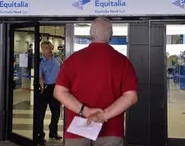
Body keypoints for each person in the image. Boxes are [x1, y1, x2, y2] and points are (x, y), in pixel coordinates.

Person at [54, 17, 138, 146]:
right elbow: (131, 97)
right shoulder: (123, 62)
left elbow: (59, 92)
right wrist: (103, 116)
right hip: (111, 130)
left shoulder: (73, 60)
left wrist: (86, 111)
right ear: (110, 35)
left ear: (90, 34)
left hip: (78, 129)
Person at [34, 41, 62, 145]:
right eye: (46, 48)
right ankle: (39, 135)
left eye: (50, 48)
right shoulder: (40, 62)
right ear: (42, 50)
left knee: (56, 112)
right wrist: (41, 86)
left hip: (56, 88)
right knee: (41, 113)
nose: (49, 50)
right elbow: (40, 76)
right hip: (45, 89)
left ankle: (53, 132)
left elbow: (63, 70)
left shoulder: (57, 59)